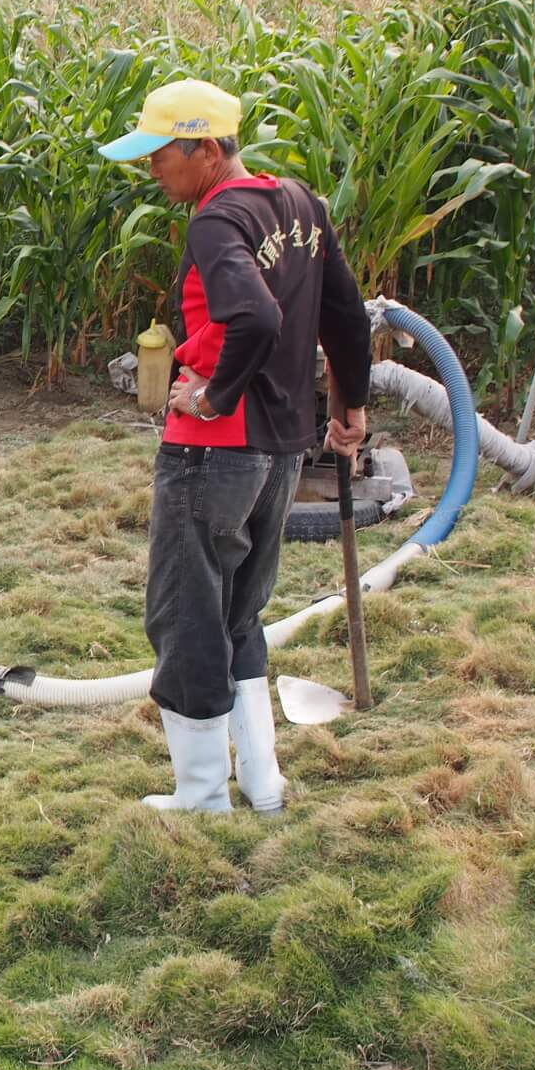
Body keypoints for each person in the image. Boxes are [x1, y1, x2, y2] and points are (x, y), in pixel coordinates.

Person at [97, 79, 370, 813]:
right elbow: (345, 315)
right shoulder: (300, 205)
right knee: (238, 614)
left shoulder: (216, 222)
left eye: (161, 154)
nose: (151, 168)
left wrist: (213, 395)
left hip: (214, 453)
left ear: (208, 151)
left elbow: (255, 318)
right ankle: (262, 780)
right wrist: (351, 408)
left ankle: (200, 793)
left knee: (185, 614)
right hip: (283, 449)